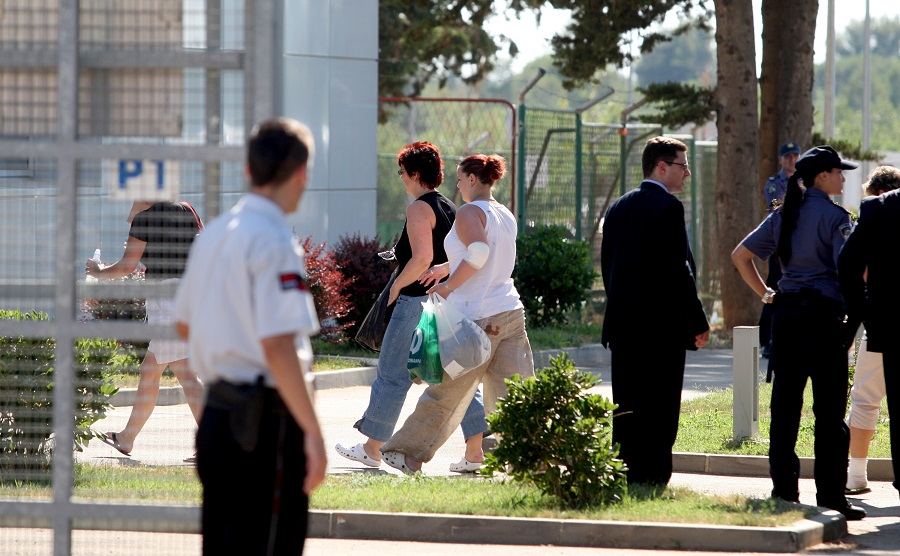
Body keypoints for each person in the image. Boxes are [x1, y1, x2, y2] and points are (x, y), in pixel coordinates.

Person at [174, 118, 327, 553]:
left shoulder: (216, 233)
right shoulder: (275, 239)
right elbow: (278, 345)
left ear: (248, 169)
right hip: (267, 427)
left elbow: (184, 323)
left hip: (219, 418)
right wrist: (313, 433)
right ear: (301, 173)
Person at [335, 142, 487, 470]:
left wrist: (397, 287)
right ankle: (475, 451)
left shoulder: (418, 208)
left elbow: (422, 259)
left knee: (392, 374)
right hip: (444, 302)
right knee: (453, 377)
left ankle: (372, 447)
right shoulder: (448, 206)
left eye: (402, 172)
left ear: (415, 174)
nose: (401, 178)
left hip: (415, 302)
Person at [379, 153, 534, 474]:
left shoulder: (468, 212)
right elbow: (483, 254)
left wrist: (448, 286)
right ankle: (532, 457)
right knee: (515, 393)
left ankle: (408, 454)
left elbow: (478, 253)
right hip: (510, 312)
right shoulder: (504, 214)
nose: (458, 185)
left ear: (474, 180)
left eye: (461, 179)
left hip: (476, 319)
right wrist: (446, 266)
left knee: (445, 392)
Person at [732, 145, 865, 520]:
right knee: (828, 412)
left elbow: (740, 256)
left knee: (785, 408)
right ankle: (832, 498)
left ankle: (784, 492)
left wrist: (766, 295)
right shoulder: (838, 218)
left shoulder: (783, 214)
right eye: (838, 171)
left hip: (787, 319)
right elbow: (851, 270)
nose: (842, 177)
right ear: (822, 176)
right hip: (824, 320)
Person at [600, 136, 710, 487]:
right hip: (660, 331)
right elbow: (679, 271)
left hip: (623, 327)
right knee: (661, 410)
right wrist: (698, 321)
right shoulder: (668, 207)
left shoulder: (618, 206)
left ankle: (625, 475)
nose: (687, 173)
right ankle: (654, 478)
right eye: (682, 165)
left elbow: (609, 269)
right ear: (661, 167)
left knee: (627, 409)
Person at [87, 200, 204, 458]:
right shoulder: (187, 209)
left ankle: (217, 443)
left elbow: (127, 267)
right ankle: (128, 438)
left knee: (184, 375)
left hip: (168, 299)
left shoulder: (146, 218)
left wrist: (98, 272)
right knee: (152, 371)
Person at [840, 165, 900, 496]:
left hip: (882, 324)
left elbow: (854, 268)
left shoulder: (876, 215)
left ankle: (856, 474)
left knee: (864, 398)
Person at [760, 142, 802, 360]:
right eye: (788, 157)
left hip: (801, 245)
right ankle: (766, 340)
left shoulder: (804, 180)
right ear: (781, 159)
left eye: (795, 156)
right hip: (780, 246)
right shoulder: (774, 184)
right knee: (772, 288)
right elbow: (776, 206)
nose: (792, 160)